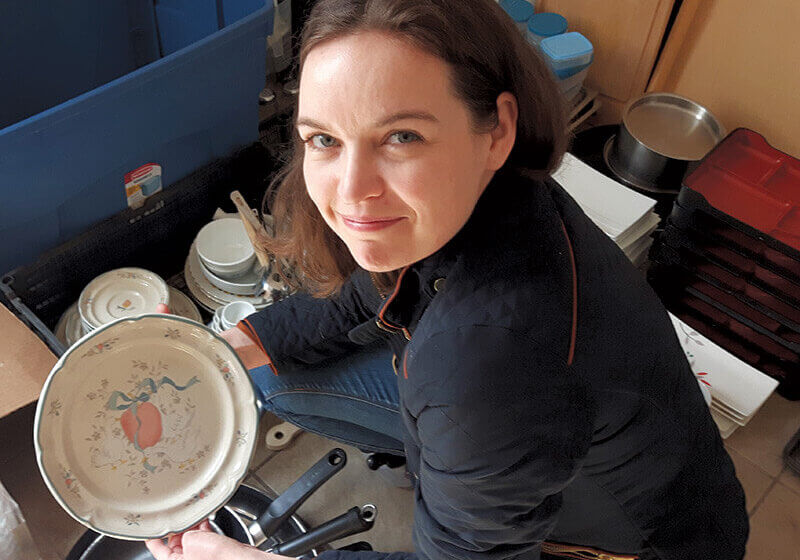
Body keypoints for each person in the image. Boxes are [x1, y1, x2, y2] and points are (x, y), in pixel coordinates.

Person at [147, 1, 749, 559]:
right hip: (581, 447)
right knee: (263, 374)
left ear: (496, 129)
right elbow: (377, 279)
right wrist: (239, 343)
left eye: (401, 136)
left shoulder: (485, 367)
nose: (352, 191)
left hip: (646, 543)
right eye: (324, 140)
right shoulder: (489, 190)